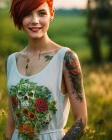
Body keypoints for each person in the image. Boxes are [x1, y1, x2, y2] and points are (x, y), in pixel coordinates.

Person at [5, 0, 88, 139]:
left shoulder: (66, 58)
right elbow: (11, 121)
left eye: (41, 13)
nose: (35, 21)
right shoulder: (11, 61)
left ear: (51, 15)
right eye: (27, 14)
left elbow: (82, 120)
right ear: (19, 17)